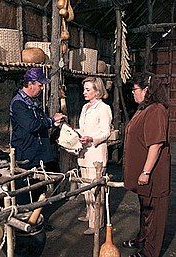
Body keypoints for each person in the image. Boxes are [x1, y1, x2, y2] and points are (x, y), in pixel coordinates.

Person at [122, 74, 170, 257]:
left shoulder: (156, 110)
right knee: (145, 210)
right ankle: (141, 239)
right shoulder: (144, 109)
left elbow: (156, 144)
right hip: (144, 174)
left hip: (153, 174)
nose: (133, 93)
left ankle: (150, 253)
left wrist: (146, 171)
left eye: (135, 89)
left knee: (154, 215)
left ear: (147, 90)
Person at [9, 67, 66, 203]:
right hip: (25, 152)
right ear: (30, 84)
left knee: (38, 189)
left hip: (38, 152)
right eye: (40, 85)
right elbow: (32, 125)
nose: (41, 88)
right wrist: (51, 121)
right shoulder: (18, 104)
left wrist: (54, 124)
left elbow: (41, 122)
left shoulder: (34, 102)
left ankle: (38, 221)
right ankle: (24, 220)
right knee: (25, 190)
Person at [76, 77, 112, 235]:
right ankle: (90, 215)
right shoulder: (85, 107)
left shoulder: (103, 108)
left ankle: (96, 223)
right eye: (84, 89)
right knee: (86, 188)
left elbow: (106, 132)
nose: (84, 92)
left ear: (97, 92)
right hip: (84, 153)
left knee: (96, 190)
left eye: (88, 89)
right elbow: (83, 128)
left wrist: (92, 139)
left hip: (96, 153)